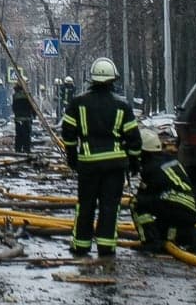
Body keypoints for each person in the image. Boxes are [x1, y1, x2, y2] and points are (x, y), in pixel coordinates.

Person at [59, 56, 141, 265]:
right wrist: (134, 163)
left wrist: (72, 156)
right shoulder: (122, 105)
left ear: (92, 79)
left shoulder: (78, 103)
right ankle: (106, 246)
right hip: (115, 165)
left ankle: (81, 245)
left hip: (88, 163)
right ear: (113, 79)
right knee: (109, 206)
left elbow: (67, 132)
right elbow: (133, 138)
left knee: (85, 205)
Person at [132, 126, 196, 255]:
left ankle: (150, 242)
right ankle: (185, 235)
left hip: (175, 206)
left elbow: (143, 197)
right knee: (159, 220)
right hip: (189, 207)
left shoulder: (150, 168)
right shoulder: (169, 159)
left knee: (136, 203)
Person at [11, 78, 37, 158]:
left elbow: (14, 107)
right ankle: (26, 150)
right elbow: (32, 106)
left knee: (19, 135)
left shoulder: (15, 95)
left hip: (18, 118)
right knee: (26, 135)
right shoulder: (27, 94)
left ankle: (18, 150)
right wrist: (34, 114)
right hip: (26, 118)